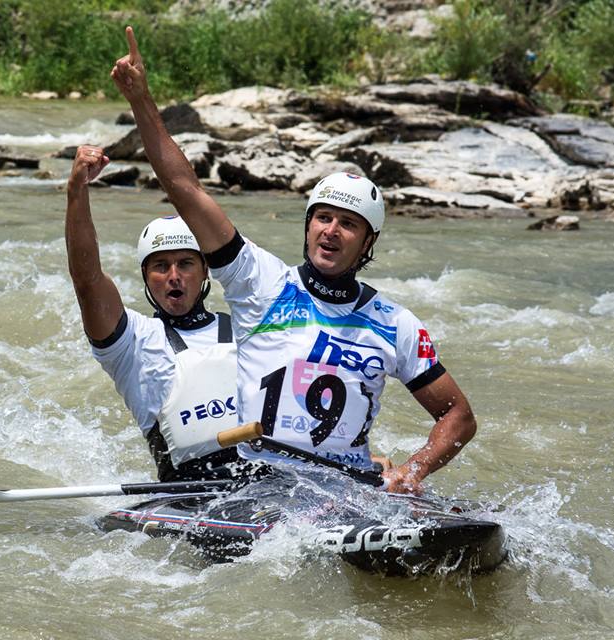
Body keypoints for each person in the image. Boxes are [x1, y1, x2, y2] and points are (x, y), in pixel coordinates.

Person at [110, 27, 478, 494]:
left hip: (349, 490)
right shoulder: (259, 282)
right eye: (322, 217)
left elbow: (458, 417)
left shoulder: (396, 324)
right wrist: (142, 100)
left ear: (367, 243)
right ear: (307, 226)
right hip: (262, 485)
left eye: (348, 223)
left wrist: (414, 469)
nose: (331, 230)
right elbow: (186, 190)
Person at [65, 144, 241, 482]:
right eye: (161, 266)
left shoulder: (246, 328)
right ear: (146, 277)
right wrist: (76, 192)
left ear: (205, 271)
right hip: (190, 493)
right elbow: (87, 280)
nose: (174, 276)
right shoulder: (131, 342)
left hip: (267, 479)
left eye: (185, 263)